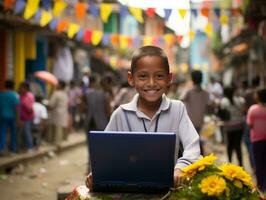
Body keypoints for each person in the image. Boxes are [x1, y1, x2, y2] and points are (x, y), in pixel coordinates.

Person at [85, 46, 201, 190]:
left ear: (169, 78)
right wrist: (96, 174)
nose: (151, 83)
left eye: (159, 76)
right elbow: (105, 156)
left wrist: (180, 168)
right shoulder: (120, 114)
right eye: (143, 76)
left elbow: (193, 146)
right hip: (129, 191)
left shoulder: (177, 109)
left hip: (167, 191)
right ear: (131, 79)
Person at [181, 70, 210, 155]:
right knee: (197, 140)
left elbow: (180, 101)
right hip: (201, 121)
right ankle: (201, 158)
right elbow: (209, 106)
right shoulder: (206, 93)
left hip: (190, 122)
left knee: (191, 143)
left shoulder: (188, 92)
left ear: (192, 79)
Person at [246, 88, 266, 192]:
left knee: (258, 163)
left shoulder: (253, 109)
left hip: (256, 140)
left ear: (257, 97)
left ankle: (260, 186)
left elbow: (250, 124)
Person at [0, 80, 20, 155]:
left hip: (2, 116)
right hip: (12, 117)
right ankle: (13, 150)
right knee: (13, 133)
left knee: (2, 132)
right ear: (13, 86)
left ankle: (1, 148)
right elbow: (17, 108)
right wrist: (18, 119)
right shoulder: (14, 95)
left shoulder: (1, 94)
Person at [18, 81, 35, 152]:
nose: (20, 88)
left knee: (26, 132)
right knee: (21, 133)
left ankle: (30, 147)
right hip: (21, 117)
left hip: (27, 117)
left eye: (22, 87)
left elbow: (30, 108)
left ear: (26, 88)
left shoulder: (29, 95)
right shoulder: (20, 95)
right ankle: (24, 147)